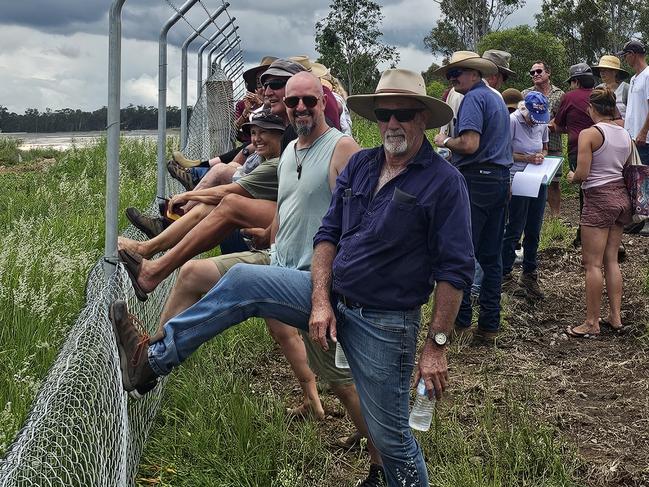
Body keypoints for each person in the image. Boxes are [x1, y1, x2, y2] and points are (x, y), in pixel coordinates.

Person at [109, 69, 473, 486]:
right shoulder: (364, 165)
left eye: (404, 114)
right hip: (331, 294)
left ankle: (391, 475)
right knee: (245, 281)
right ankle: (150, 362)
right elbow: (328, 234)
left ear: (423, 119)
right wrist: (319, 299)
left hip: (385, 321)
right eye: (385, 114)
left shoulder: (444, 183)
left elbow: (454, 271)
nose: (393, 123)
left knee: (391, 437)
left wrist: (437, 345)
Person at [433, 51, 512, 342]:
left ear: (475, 74)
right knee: (491, 258)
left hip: (476, 180)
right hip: (499, 179)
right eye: (450, 74)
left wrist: (445, 141)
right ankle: (489, 325)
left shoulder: (473, 99)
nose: (453, 78)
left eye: (459, 72)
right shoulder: (495, 98)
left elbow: (469, 143)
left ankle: (461, 322)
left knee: (461, 253)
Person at [566, 88, 632, 337]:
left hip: (598, 198)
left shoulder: (589, 134)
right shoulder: (624, 133)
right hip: (621, 197)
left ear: (591, 108)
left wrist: (573, 177)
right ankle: (615, 317)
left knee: (592, 263)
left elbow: (583, 173)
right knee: (611, 260)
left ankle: (592, 322)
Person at [501, 92, 550, 299]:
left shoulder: (542, 122)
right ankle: (504, 274)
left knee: (534, 227)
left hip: (537, 177)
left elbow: (545, 147)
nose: (535, 122)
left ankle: (530, 273)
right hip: (517, 177)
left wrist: (541, 156)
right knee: (514, 227)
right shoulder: (512, 121)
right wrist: (526, 157)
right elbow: (503, 151)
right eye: (532, 117)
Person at [552, 63, 597, 246]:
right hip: (603, 147)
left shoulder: (569, 97)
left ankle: (584, 234)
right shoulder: (599, 95)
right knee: (601, 188)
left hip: (578, 149)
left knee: (584, 191)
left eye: (571, 82)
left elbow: (558, 124)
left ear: (576, 81)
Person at [523, 61, 565, 216]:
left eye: (539, 71)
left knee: (554, 183)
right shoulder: (526, 94)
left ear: (548, 73)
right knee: (531, 181)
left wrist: (552, 124)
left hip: (553, 143)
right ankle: (532, 215)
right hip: (530, 145)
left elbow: (563, 119)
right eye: (532, 72)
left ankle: (555, 216)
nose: (535, 74)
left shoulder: (560, 94)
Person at [618, 40, 649, 236]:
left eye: (626, 55)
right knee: (636, 178)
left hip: (644, 137)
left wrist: (644, 131)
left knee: (646, 179)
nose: (625, 59)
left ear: (633, 53)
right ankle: (639, 218)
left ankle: (647, 221)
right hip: (633, 137)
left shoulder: (647, 75)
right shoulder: (636, 78)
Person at [593, 55, 630, 120]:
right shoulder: (598, 89)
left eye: (604, 70)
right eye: (601, 71)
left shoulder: (626, 89)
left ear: (614, 72)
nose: (602, 73)